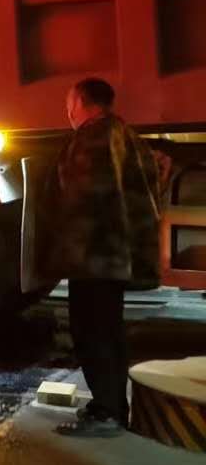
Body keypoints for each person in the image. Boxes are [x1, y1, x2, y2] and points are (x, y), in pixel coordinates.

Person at [44, 77, 163, 438]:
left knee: (93, 334)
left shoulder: (92, 138)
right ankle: (112, 408)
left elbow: (84, 200)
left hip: (93, 257)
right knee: (109, 333)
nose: (67, 110)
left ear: (80, 102)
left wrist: (60, 250)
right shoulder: (124, 134)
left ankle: (107, 413)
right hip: (112, 256)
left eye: (69, 102)